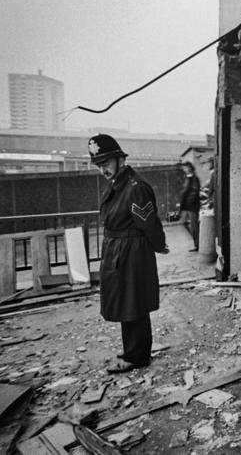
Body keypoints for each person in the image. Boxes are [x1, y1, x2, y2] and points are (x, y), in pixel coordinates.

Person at [87, 134, 169, 374]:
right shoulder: (118, 184)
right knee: (126, 303)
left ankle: (137, 356)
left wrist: (159, 244)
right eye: (99, 165)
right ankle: (133, 350)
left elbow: (148, 222)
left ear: (120, 159)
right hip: (119, 251)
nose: (103, 169)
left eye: (106, 163)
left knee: (134, 304)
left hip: (132, 253)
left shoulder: (135, 187)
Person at [179, 161, 201, 251]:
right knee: (184, 222)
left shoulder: (195, 178)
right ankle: (198, 241)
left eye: (186, 167)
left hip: (192, 206)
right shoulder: (187, 178)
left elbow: (194, 192)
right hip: (186, 206)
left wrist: (188, 202)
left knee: (194, 227)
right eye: (183, 168)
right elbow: (185, 191)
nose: (184, 169)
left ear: (190, 168)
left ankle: (198, 245)